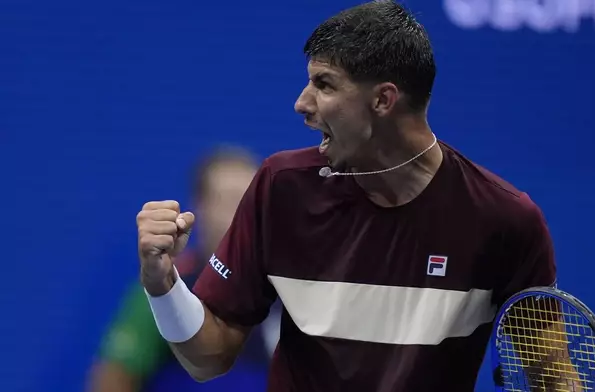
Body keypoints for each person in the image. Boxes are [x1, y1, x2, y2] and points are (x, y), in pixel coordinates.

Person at [135, 1, 558, 391]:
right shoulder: (282, 188)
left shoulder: (505, 222)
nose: (302, 104)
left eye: (325, 84)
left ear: (383, 99)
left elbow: (550, 373)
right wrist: (163, 284)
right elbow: (208, 357)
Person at [89, 147, 281, 392]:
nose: (244, 212)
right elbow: (113, 379)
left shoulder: (285, 289)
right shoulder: (165, 286)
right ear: (201, 207)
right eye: (231, 199)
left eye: (253, 199)